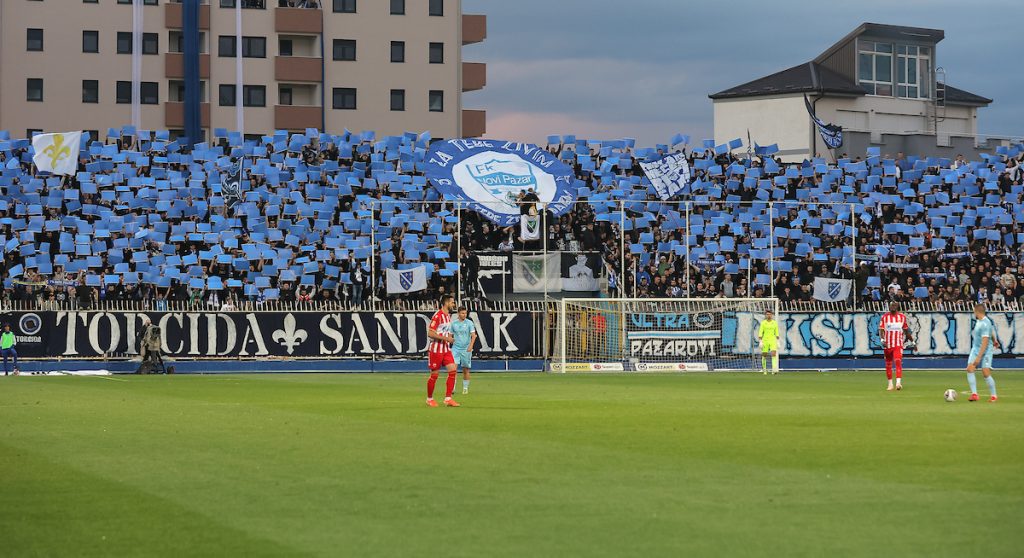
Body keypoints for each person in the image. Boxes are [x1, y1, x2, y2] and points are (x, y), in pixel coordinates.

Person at [426, 294, 460, 407]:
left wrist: (450, 338)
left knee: (453, 370)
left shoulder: (448, 316)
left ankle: (448, 398)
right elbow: (430, 333)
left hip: (445, 349)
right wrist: (447, 339)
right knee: (434, 375)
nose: (453, 304)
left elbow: (446, 331)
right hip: (436, 349)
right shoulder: (438, 316)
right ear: (446, 303)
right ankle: (429, 399)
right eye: (452, 302)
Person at [966, 303, 999, 402]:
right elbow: (991, 331)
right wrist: (994, 340)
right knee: (970, 369)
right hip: (976, 349)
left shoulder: (985, 323)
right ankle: (974, 394)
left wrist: (978, 357)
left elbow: (985, 342)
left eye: (974, 311)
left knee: (985, 372)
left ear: (977, 311)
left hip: (986, 350)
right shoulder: (980, 321)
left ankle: (994, 396)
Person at [879, 301, 913, 391]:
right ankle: (890, 384)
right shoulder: (884, 317)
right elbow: (881, 330)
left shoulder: (902, 317)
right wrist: (882, 340)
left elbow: (906, 331)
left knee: (898, 361)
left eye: (894, 305)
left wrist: (913, 342)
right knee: (888, 364)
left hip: (898, 344)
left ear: (897, 306)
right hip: (887, 344)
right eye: (891, 305)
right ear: (889, 307)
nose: (893, 307)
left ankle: (898, 383)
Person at [449, 306, 477, 395]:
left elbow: (473, 335)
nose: (464, 315)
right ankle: (452, 388)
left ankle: (465, 388)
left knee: (465, 370)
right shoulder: (453, 323)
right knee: (453, 369)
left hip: (466, 349)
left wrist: (471, 346)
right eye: (462, 313)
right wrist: (450, 341)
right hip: (455, 348)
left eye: (465, 313)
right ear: (458, 313)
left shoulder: (469, 323)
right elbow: (450, 335)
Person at [758, 310, 779, 375]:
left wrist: (778, 341)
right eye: (767, 314)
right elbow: (760, 332)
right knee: (764, 355)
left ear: (772, 315)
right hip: (765, 340)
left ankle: (774, 370)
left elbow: (777, 332)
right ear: (765, 315)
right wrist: (760, 341)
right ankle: (764, 370)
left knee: (773, 354)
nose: (768, 315)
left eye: (770, 314)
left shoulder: (774, 323)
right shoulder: (763, 323)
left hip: (772, 340)